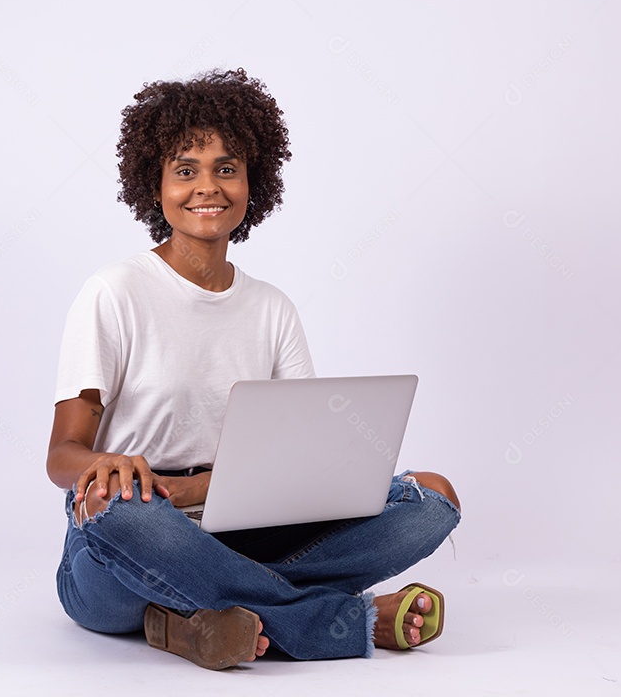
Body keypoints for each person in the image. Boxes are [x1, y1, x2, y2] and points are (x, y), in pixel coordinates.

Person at [47, 68, 461, 669]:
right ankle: (340, 623)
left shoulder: (272, 309)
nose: (207, 187)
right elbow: (63, 456)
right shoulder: (113, 292)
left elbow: (301, 468)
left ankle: (198, 618)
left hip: (239, 520)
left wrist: (202, 491)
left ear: (251, 182)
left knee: (432, 501)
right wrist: (107, 467)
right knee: (116, 510)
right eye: (185, 169)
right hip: (135, 530)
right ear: (155, 185)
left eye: (226, 168)